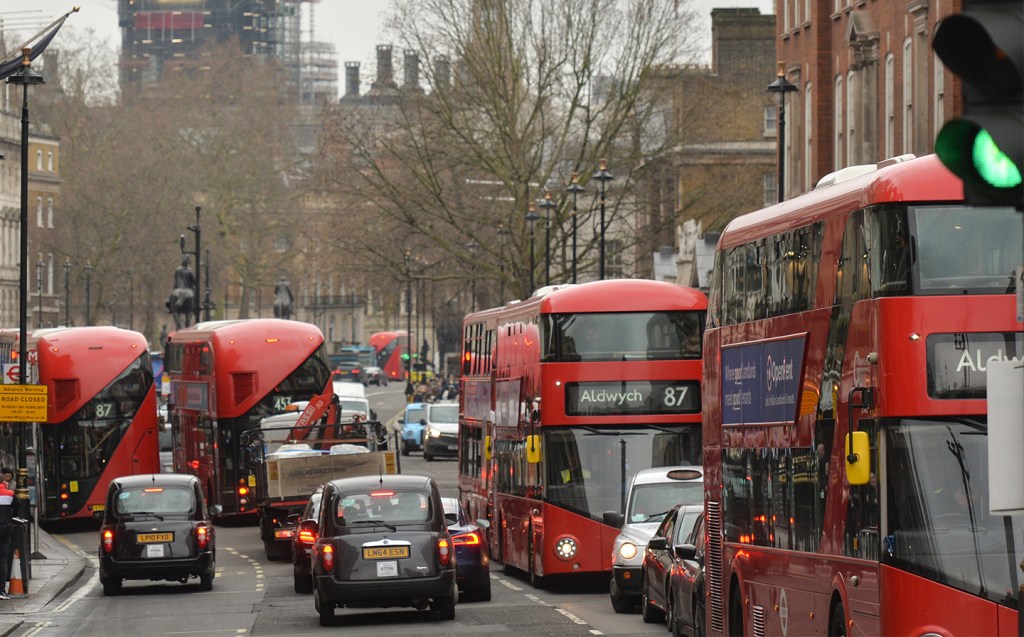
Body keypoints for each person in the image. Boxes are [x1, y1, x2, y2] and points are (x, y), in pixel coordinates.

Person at [0, 480, 14, 600]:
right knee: (2, 561)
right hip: (4, 532)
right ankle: (1, 590)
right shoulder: (9, 494)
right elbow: (18, 506)